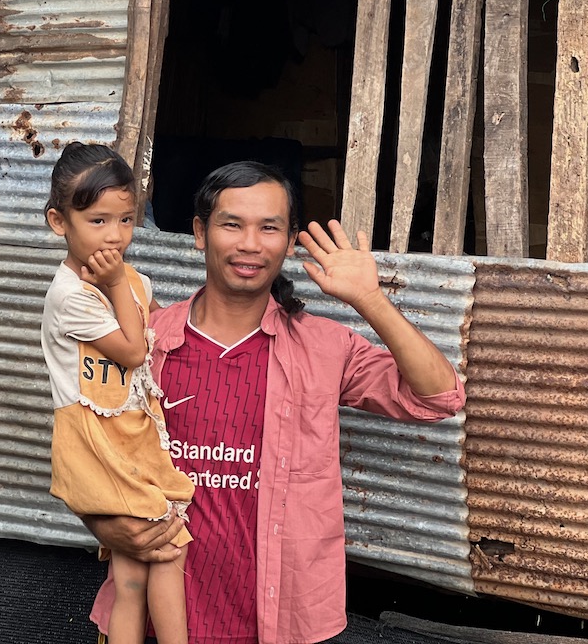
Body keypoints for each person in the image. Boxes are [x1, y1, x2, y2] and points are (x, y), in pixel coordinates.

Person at [84, 161, 466, 644]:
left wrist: (370, 299)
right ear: (200, 233)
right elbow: (87, 446)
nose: (250, 244)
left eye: (269, 228)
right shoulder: (144, 342)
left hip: (278, 619)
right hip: (149, 619)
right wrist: (101, 524)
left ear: (289, 242)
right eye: (232, 224)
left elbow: (438, 397)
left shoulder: (323, 347)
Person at [41, 142, 195, 644]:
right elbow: (132, 350)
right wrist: (114, 286)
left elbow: (159, 325)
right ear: (59, 222)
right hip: (97, 440)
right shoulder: (72, 295)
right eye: (98, 221)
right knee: (168, 549)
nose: (115, 235)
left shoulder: (129, 279)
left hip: (130, 433)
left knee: (131, 572)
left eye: (126, 220)